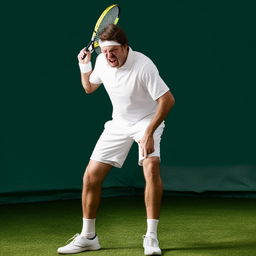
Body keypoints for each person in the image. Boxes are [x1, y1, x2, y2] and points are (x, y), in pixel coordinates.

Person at [57, 24, 175, 255]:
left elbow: (168, 100)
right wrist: (84, 65)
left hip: (147, 121)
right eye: (105, 52)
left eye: (114, 51)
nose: (109, 56)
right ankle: (88, 236)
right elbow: (90, 87)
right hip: (119, 123)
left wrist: (149, 132)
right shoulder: (101, 60)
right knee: (91, 176)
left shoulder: (144, 65)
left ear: (125, 47)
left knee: (151, 168)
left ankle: (151, 237)